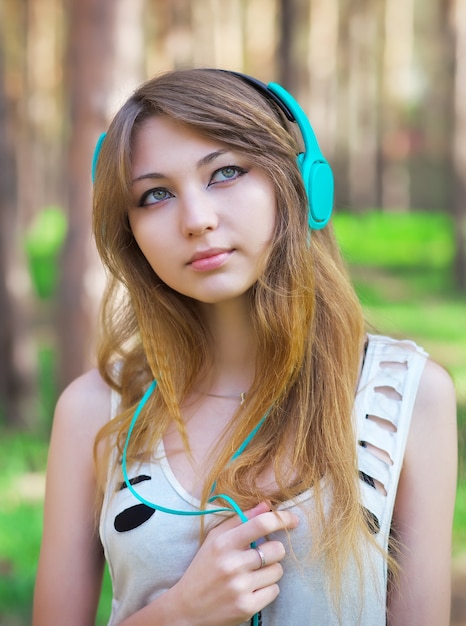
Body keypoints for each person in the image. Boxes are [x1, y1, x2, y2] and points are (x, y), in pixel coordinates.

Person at [33, 68, 457, 626]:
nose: (197, 221)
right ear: (127, 231)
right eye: (155, 194)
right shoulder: (94, 411)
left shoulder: (405, 395)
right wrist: (179, 614)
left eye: (226, 173)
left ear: (302, 184)